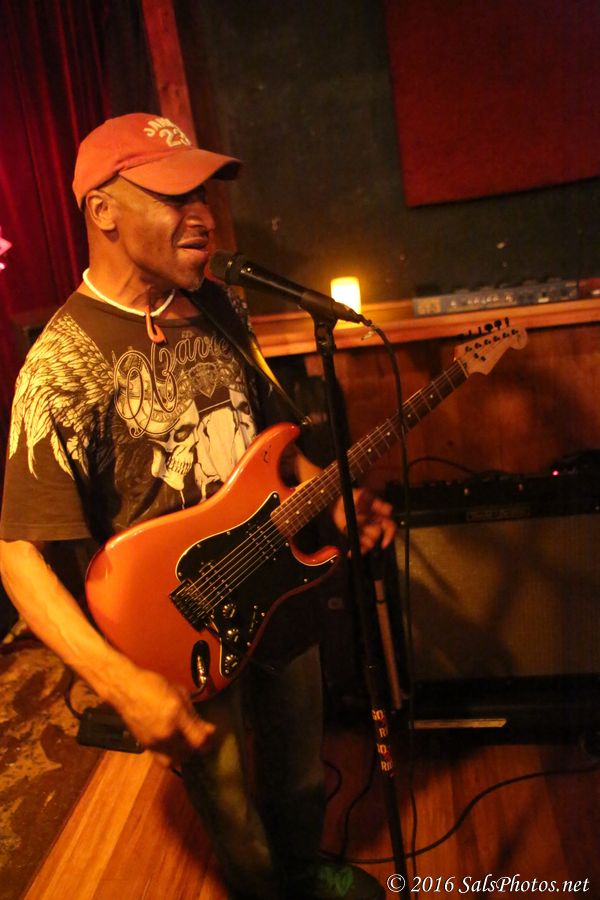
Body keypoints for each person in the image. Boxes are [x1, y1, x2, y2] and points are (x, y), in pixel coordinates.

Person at [0, 113, 395, 900]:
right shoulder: (60, 364)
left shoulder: (218, 306)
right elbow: (17, 555)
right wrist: (119, 683)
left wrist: (334, 495)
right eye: (173, 196)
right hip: (179, 631)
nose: (204, 216)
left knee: (298, 771)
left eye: (204, 195)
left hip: (278, 588)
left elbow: (276, 443)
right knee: (232, 814)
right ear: (102, 211)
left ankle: (303, 870)